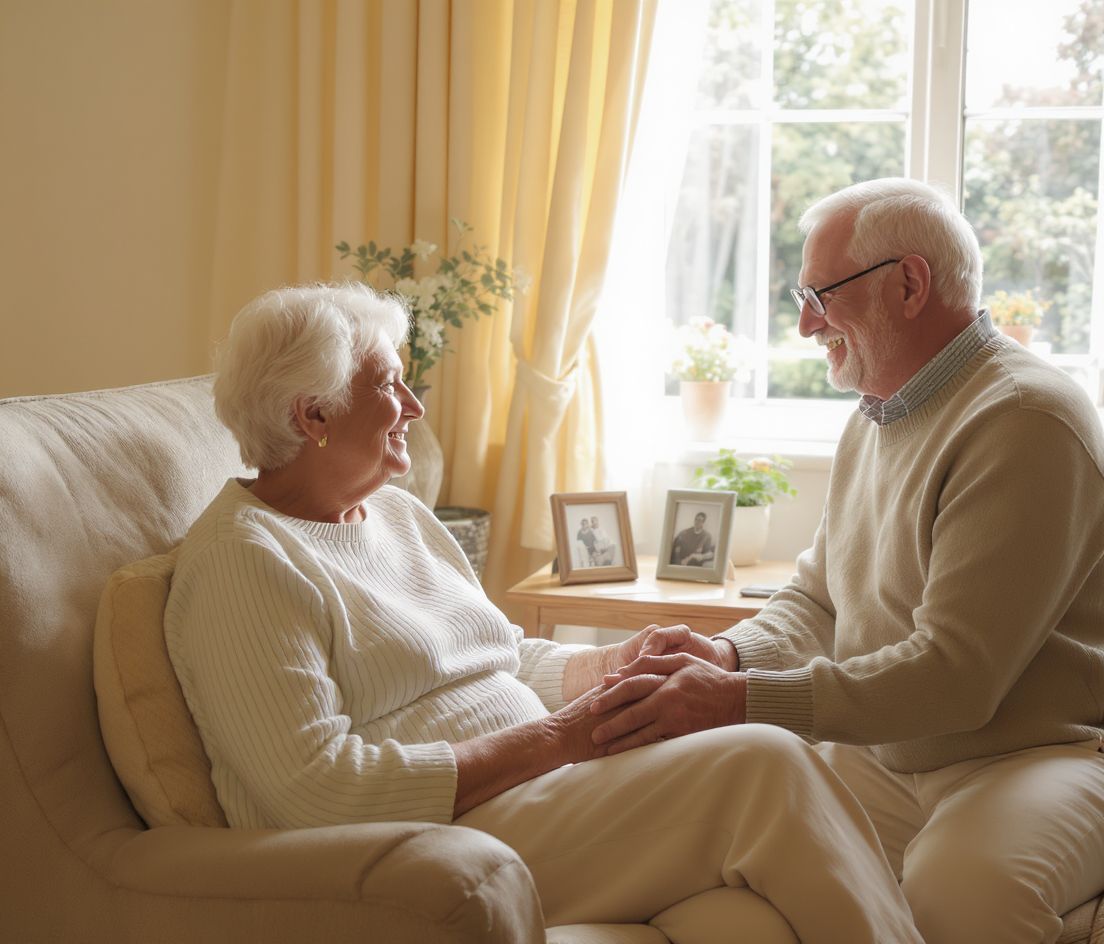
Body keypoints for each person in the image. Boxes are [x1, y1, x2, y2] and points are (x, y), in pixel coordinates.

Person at [164, 282, 922, 942]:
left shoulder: (396, 514)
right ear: (314, 414)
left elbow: (499, 654)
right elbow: (316, 791)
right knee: (763, 762)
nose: (415, 407)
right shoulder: (244, 561)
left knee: (743, 922)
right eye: (392, 386)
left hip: (530, 797)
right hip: (433, 845)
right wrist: (562, 737)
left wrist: (612, 665)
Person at [591, 178, 1104, 944]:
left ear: (909, 284)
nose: (805, 324)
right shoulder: (879, 412)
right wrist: (728, 655)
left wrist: (737, 701)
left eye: (820, 295)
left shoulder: (1025, 420)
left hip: (1036, 754)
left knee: (959, 896)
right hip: (890, 752)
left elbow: (956, 678)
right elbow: (818, 600)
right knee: (708, 861)